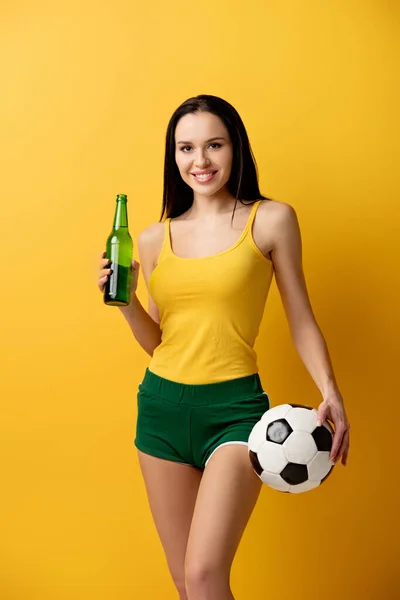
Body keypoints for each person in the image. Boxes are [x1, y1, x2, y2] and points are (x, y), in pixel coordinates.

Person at [97, 94, 350, 600]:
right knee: (184, 583)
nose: (200, 161)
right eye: (186, 148)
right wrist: (124, 304)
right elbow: (162, 342)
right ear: (173, 156)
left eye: (214, 145)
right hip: (161, 411)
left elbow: (299, 315)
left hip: (236, 413)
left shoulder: (271, 220)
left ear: (235, 148)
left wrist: (331, 390)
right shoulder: (152, 238)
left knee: (207, 576)